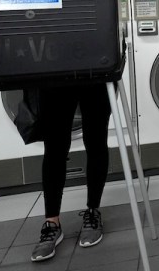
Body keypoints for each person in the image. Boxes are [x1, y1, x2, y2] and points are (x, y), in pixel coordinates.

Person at [30, 83, 112, 262]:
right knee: (54, 149)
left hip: (94, 70)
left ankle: (93, 211)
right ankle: (52, 223)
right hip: (54, 71)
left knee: (96, 141)